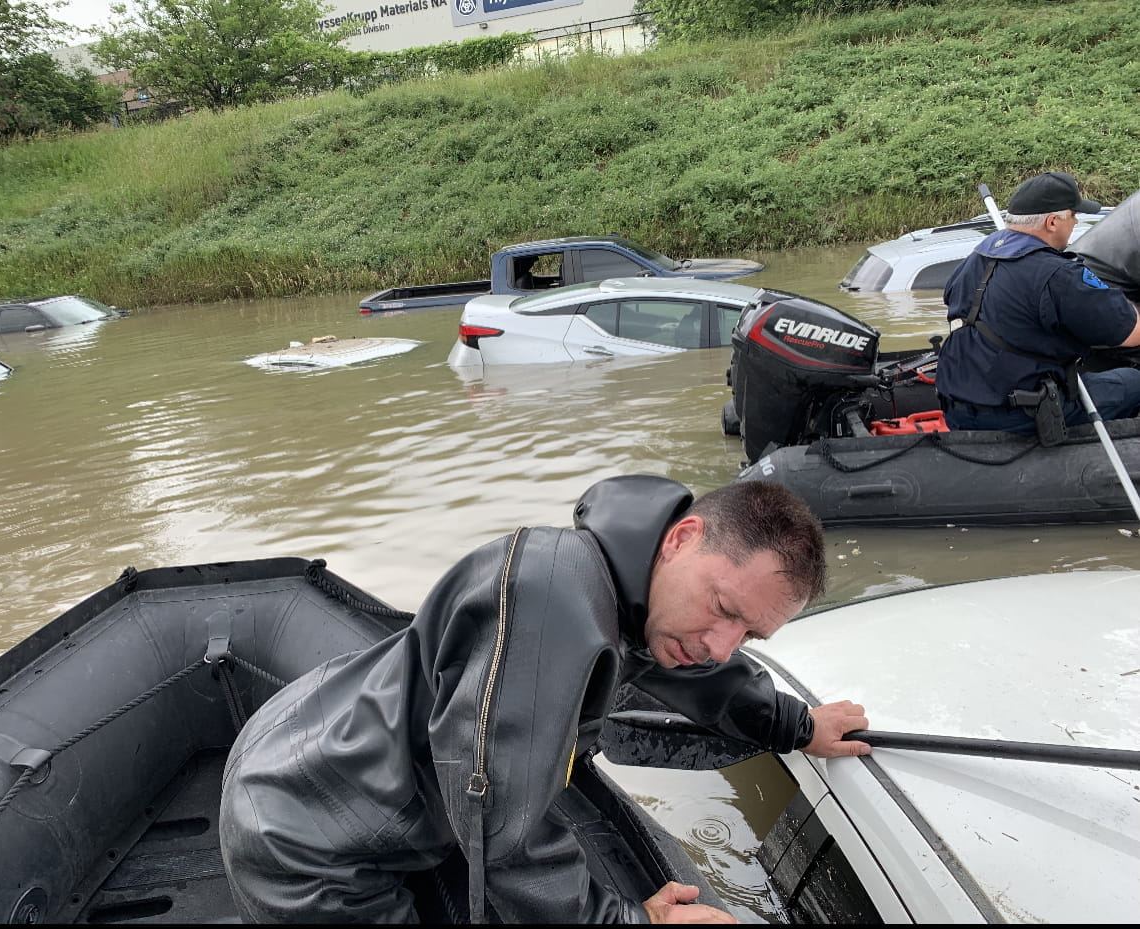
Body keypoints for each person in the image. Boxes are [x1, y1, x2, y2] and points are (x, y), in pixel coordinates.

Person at [219, 475, 870, 924]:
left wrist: (795, 724)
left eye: (749, 632)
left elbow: (709, 677)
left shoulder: (643, 596)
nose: (724, 643)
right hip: (307, 835)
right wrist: (626, 917)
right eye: (725, 608)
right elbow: (499, 825)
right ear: (681, 538)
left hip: (316, 743)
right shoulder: (554, 598)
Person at [935, 170, 1140, 433]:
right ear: (1053, 222)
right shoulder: (1059, 274)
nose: (1076, 222)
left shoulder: (977, 256)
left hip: (958, 410)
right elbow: (1130, 332)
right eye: (1074, 215)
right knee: (1133, 381)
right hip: (1020, 416)